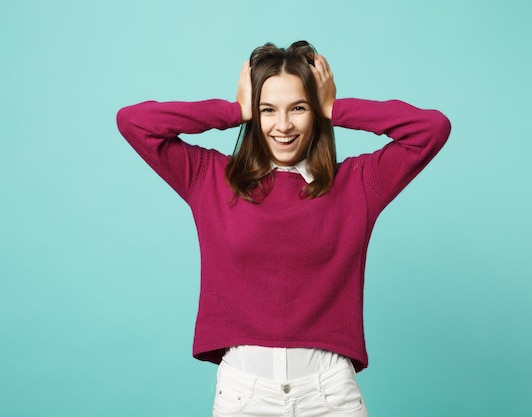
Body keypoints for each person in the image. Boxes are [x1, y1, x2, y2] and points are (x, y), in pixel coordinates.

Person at [116, 40, 450, 417]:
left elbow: (431, 129)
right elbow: (134, 122)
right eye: (268, 110)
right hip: (244, 394)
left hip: (330, 396)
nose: (284, 125)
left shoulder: (358, 184)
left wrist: (334, 108)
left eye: (299, 108)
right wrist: (232, 110)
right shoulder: (210, 179)